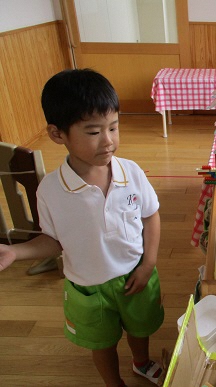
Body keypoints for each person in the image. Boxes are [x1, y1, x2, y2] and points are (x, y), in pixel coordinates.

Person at [0, 69, 164, 387]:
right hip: (88, 289)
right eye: (93, 132)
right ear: (57, 134)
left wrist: (149, 263)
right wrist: (15, 252)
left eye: (113, 127)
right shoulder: (50, 190)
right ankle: (113, 382)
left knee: (141, 328)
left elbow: (150, 216)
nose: (109, 141)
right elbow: (52, 242)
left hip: (136, 274)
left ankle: (141, 363)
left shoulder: (130, 172)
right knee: (100, 344)